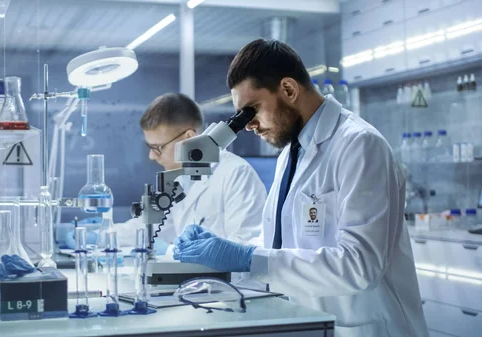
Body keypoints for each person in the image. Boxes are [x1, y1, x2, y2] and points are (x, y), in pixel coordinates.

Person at [174, 39, 428, 337]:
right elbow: (284, 243)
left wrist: (246, 258)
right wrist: (229, 250)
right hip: (309, 322)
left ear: (289, 89)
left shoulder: (359, 144)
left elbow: (360, 265)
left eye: (251, 110)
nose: (248, 125)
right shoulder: (290, 154)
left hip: (364, 328)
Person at [117, 92, 266, 252]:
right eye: (149, 147)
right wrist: (100, 234)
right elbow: (151, 227)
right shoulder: (179, 176)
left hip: (223, 278)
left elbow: (247, 249)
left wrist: (172, 251)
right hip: (189, 275)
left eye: (158, 148)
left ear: (187, 138)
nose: (151, 156)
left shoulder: (236, 174)